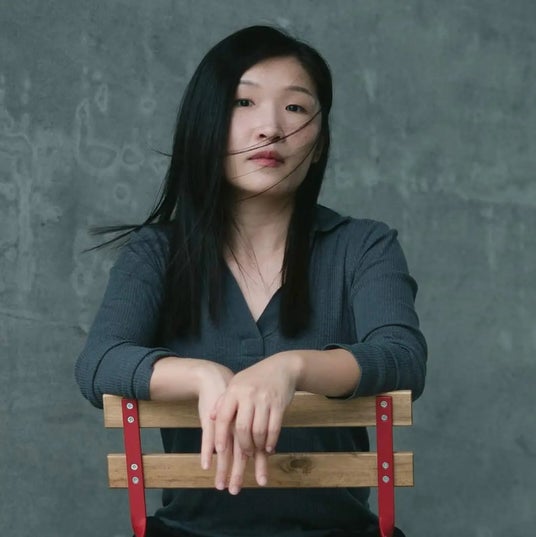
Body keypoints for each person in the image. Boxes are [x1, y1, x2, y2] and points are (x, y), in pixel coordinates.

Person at [75, 25, 427, 537]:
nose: (270, 128)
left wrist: (291, 368)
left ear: (319, 144)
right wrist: (202, 375)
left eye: (296, 107)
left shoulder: (364, 245)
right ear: (206, 125)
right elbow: (99, 362)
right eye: (243, 102)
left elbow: (403, 357)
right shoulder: (157, 252)